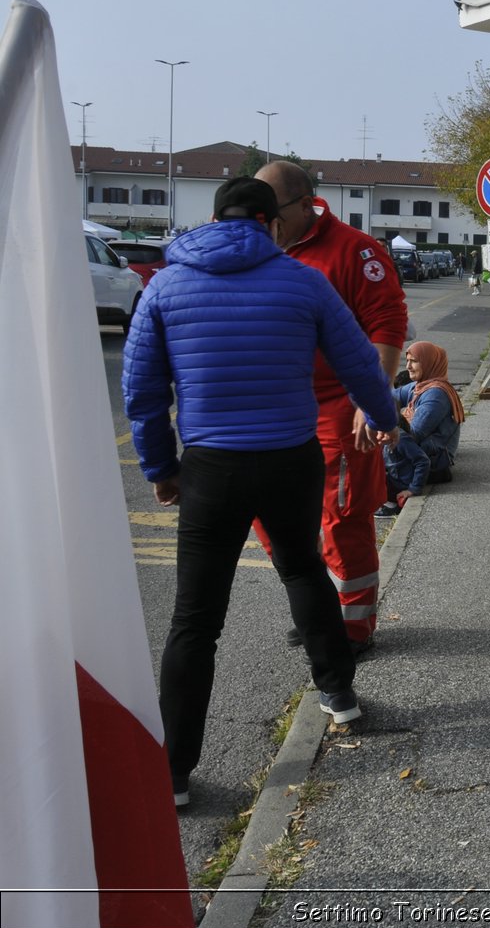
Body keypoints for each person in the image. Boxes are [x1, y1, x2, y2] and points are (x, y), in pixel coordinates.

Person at [123, 178, 400, 807]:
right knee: (303, 568)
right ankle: (340, 696)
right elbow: (360, 361)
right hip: (290, 457)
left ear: (212, 218)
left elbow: (142, 393)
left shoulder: (165, 285)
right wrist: (384, 417)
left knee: (195, 618)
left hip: (211, 466)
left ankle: (173, 773)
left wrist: (161, 468)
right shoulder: (303, 282)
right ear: (272, 224)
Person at [257, 161, 409, 652]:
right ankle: (317, 609)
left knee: (342, 520)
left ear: (306, 205)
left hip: (337, 408)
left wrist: (373, 397)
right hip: (274, 410)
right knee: (272, 518)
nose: (263, 221)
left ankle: (351, 628)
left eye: (272, 211)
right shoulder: (257, 246)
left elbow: (386, 323)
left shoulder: (354, 250)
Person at [378, 341, 464, 517]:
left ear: (428, 363)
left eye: (414, 361)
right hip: (423, 451)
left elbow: (414, 434)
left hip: (434, 458)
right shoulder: (420, 386)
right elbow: (388, 399)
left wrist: (385, 426)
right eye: (407, 360)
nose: (408, 366)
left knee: (388, 447)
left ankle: (395, 496)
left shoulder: (436, 394)